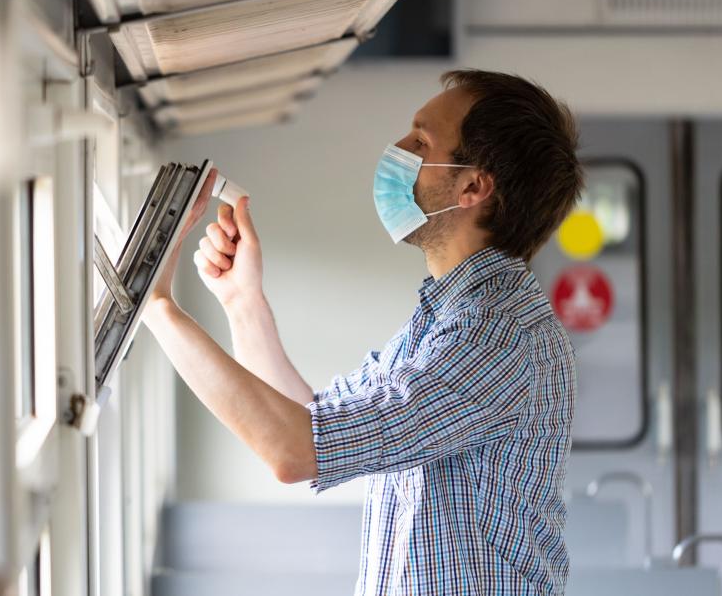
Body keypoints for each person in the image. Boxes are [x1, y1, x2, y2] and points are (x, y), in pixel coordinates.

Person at [141, 69, 582, 595]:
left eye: (421, 140)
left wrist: (156, 305)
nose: (397, 149)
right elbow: (312, 423)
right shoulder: (443, 320)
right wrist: (243, 303)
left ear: (473, 186)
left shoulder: (497, 336)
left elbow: (295, 450)